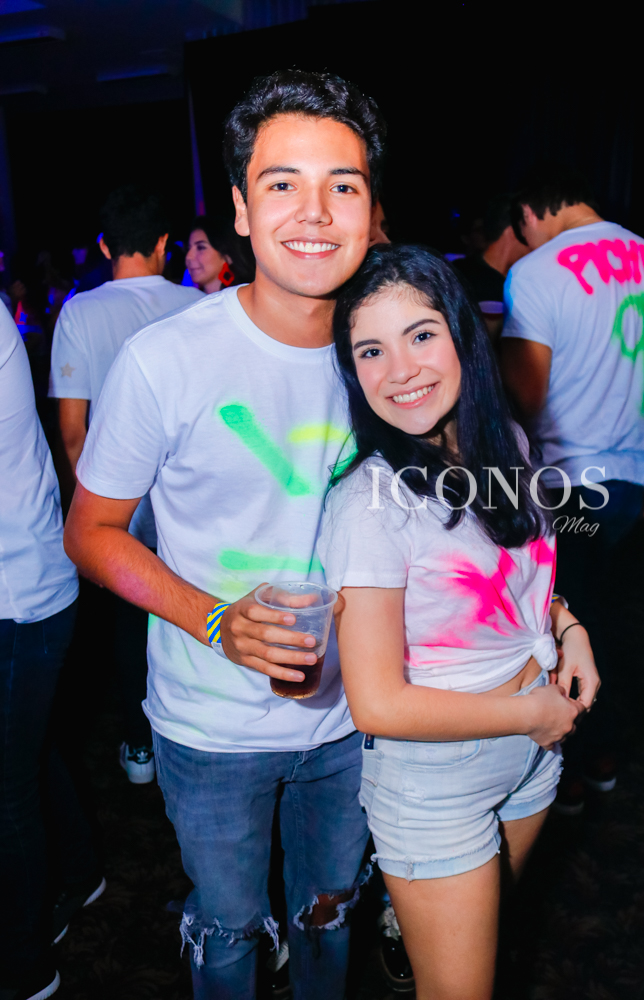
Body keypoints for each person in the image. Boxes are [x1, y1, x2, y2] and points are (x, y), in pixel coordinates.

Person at [63, 69, 386, 999]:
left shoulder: (394, 355)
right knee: (229, 929)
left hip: (358, 715)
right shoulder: (165, 359)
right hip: (211, 727)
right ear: (241, 210)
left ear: (370, 210)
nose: (313, 212)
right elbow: (91, 531)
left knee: (329, 914)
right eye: (282, 183)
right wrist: (215, 620)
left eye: (342, 185)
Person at [317, 243, 599, 1000]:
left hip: (533, 751)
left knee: (490, 937)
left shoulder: (506, 440)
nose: (399, 370)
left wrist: (568, 629)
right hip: (438, 778)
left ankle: (401, 918)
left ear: (462, 336)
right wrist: (532, 713)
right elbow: (378, 704)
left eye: (420, 335)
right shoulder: (369, 505)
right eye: (370, 350)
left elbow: (520, 581)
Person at [500, 164, 644, 812]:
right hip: (629, 476)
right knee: (604, 607)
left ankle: (572, 759)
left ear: (529, 210)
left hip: (565, 481)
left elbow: (528, 395)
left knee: (562, 620)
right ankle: (599, 753)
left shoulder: (537, 271)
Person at [49, 185, 203, 784]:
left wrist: (94, 518)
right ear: (165, 243)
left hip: (119, 506)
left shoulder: (80, 311)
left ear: (104, 245)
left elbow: (73, 432)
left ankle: (141, 747)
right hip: (192, 498)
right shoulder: (198, 303)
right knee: (198, 609)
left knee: (129, 621)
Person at [0, 301, 103, 1000]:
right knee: (26, 754)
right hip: (28, 585)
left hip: (19, 596)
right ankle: (80, 870)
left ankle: (23, 967)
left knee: (6, 785)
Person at [454, 194, 529, 343]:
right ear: (512, 232)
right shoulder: (467, 280)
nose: (533, 241)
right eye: (528, 229)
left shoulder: (461, 270)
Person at [185, 214, 255, 292]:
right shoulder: (189, 298)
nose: (188, 256)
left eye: (201, 247)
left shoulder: (245, 296)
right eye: (188, 248)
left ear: (227, 256)